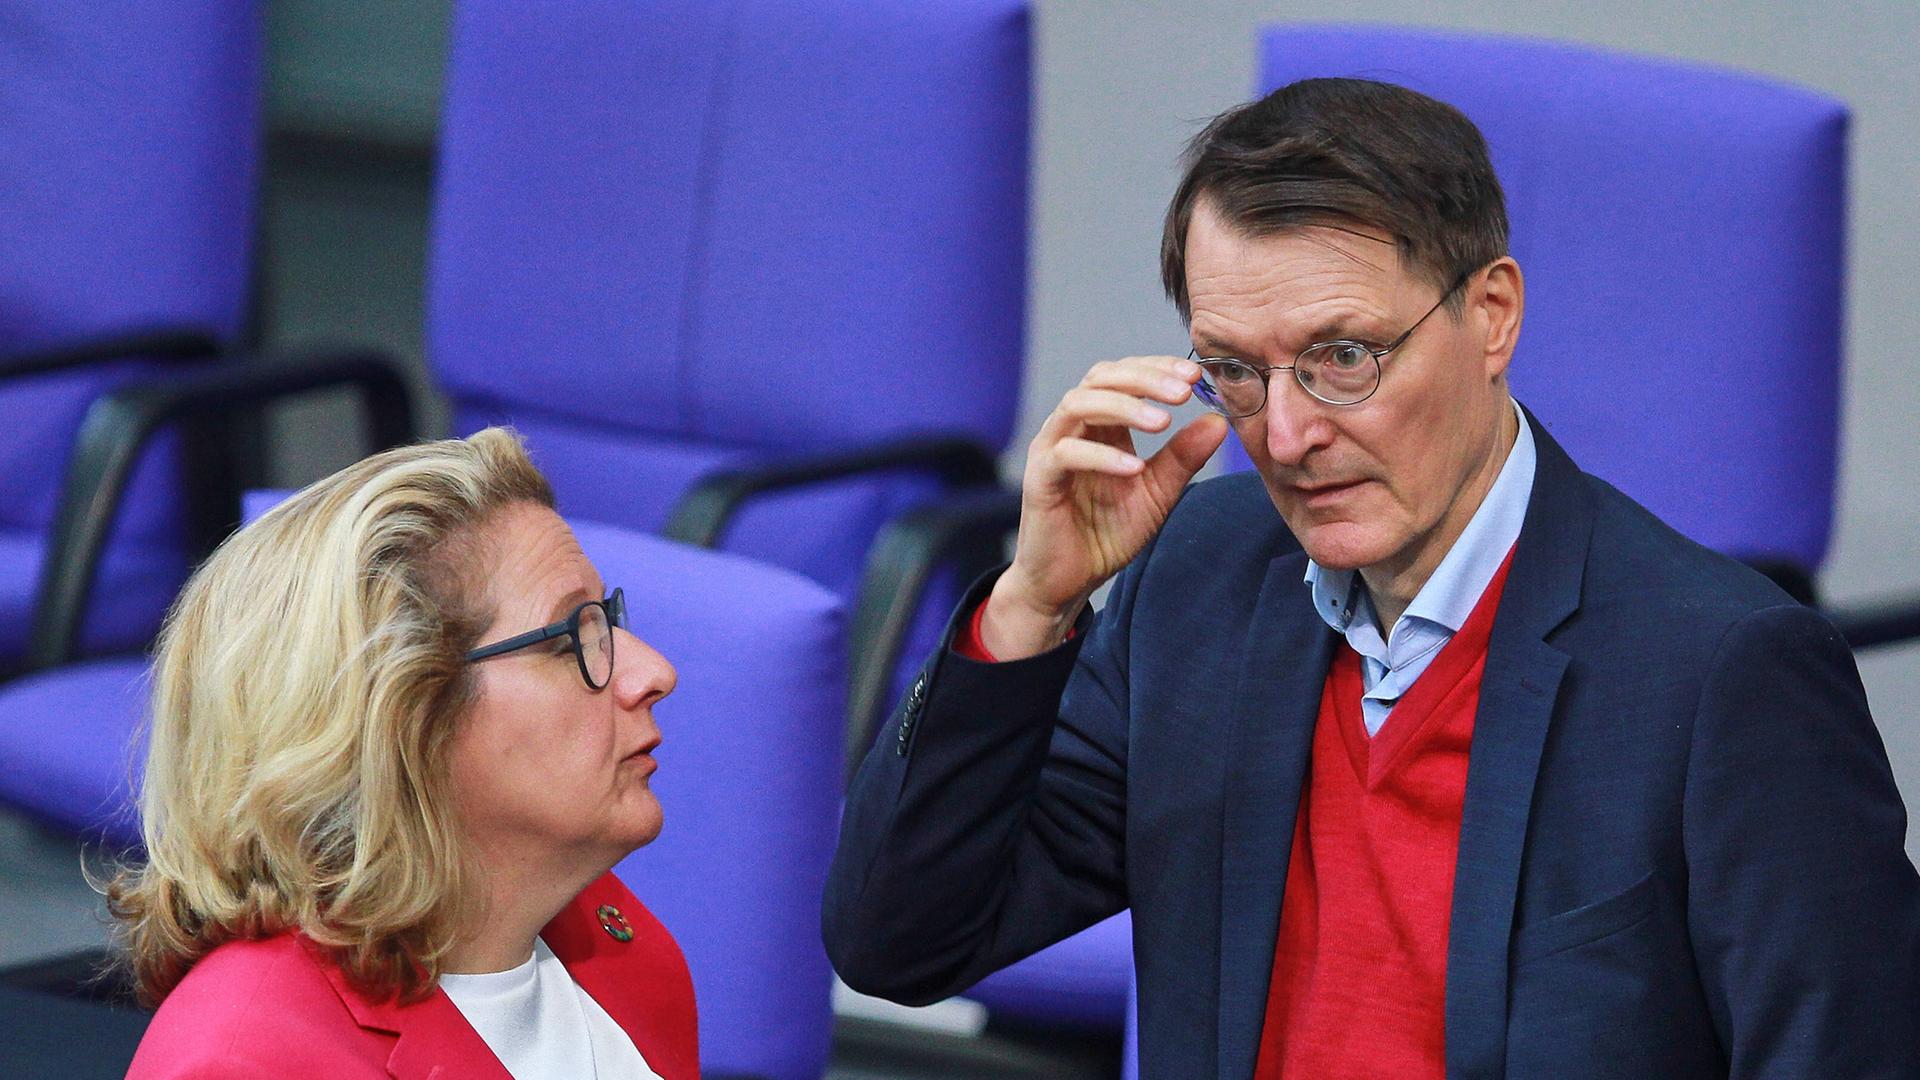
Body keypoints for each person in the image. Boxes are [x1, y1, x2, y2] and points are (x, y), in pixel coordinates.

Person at [823, 78, 1920, 1077]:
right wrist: (1031, 602)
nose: (1289, 434)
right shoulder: (1202, 578)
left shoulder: (1719, 676)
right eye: (1237, 373)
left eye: (1343, 357)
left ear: (1490, 316)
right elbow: (902, 942)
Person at [114, 428, 698, 1079]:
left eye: (607, 622)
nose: (653, 672)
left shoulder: (615, 936)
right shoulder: (244, 1062)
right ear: (403, 715)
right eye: (571, 640)